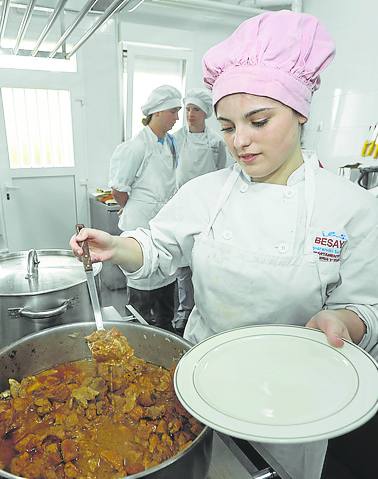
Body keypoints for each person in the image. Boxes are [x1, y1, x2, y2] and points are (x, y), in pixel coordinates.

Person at [71, 10, 378, 479]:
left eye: (259, 120)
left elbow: (367, 307)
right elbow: (156, 249)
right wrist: (117, 246)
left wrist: (343, 320)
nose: (241, 141)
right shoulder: (205, 193)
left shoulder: (351, 208)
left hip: (296, 403)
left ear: (300, 111)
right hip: (201, 384)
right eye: (229, 127)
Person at [108, 85, 181, 331]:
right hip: (140, 225)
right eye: (174, 111)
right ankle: (137, 336)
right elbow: (119, 188)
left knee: (165, 290)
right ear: (158, 112)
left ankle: (166, 333)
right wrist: (130, 209)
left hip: (162, 225)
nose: (177, 118)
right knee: (142, 293)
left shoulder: (170, 143)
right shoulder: (136, 147)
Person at [173, 88, 230, 334]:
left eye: (196, 109)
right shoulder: (177, 138)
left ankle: (205, 309)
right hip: (180, 206)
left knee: (203, 261)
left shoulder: (216, 142)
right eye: (187, 109)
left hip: (207, 209)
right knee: (182, 263)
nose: (190, 114)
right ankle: (184, 311)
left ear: (206, 113)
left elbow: (219, 173)